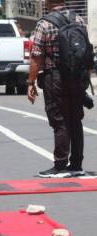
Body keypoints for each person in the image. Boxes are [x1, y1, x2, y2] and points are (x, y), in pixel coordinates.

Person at [28, 0, 93, 177]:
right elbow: (86, 51)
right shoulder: (78, 20)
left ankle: (60, 165)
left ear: (48, 2)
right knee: (75, 119)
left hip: (54, 77)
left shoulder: (45, 23)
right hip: (77, 77)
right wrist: (85, 79)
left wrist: (30, 82)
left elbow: (36, 56)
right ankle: (77, 163)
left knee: (59, 120)